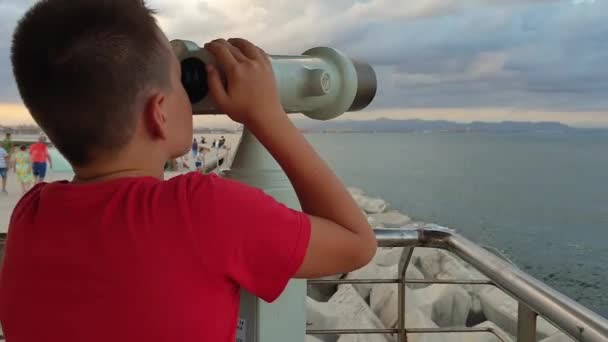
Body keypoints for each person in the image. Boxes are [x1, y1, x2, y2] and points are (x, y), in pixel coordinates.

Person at [0, 2, 376, 342]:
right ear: (158, 113)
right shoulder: (202, 210)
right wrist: (267, 116)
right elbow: (356, 243)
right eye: (181, 80)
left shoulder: (29, 217)